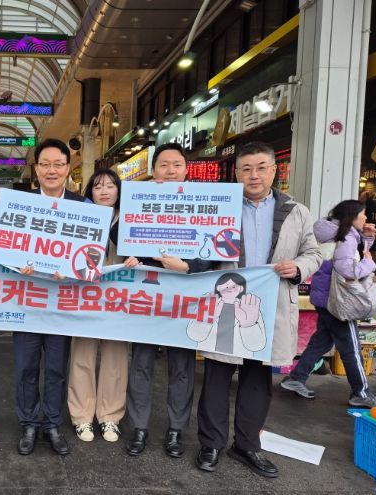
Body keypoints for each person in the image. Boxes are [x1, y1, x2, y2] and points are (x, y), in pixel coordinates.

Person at [195, 142, 321, 478]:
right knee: (217, 376)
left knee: (256, 379)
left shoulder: (296, 211)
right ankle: (211, 443)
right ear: (236, 173)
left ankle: (247, 445)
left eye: (261, 167)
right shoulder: (220, 207)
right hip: (225, 302)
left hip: (269, 304)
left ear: (274, 170)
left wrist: (298, 267)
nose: (254, 175)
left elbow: (314, 253)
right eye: (247, 169)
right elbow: (200, 248)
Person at [126, 142, 214, 459]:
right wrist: (133, 257)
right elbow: (123, 238)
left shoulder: (204, 202)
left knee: (182, 366)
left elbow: (216, 252)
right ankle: (138, 427)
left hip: (187, 295)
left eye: (177, 164)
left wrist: (188, 266)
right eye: (164, 165)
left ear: (186, 169)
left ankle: (176, 429)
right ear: (154, 170)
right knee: (141, 363)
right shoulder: (140, 200)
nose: (171, 170)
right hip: (148, 293)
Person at [15, 138, 86, 456]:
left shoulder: (83, 207)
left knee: (57, 368)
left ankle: (53, 424)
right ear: (36, 169)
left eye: (58, 164)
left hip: (62, 302)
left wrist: (72, 270)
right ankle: (29, 423)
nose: (51, 170)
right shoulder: (20, 205)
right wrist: (17, 263)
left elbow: (91, 256)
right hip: (27, 301)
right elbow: (4, 248)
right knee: (26, 367)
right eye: (45, 164)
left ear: (68, 169)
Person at [280, 200, 376, 407]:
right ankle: (361, 392)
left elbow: (351, 255)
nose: (366, 218)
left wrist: (366, 237)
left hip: (324, 299)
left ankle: (296, 378)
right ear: (352, 216)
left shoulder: (334, 233)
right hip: (339, 302)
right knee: (352, 348)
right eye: (363, 214)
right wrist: (369, 263)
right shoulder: (346, 238)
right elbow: (349, 270)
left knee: (322, 341)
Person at [67, 168, 138, 443]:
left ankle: (110, 416)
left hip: (120, 298)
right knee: (82, 354)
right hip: (85, 295)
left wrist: (137, 257)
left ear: (119, 190)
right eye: (97, 186)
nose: (104, 191)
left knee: (115, 356)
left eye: (110, 185)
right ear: (90, 192)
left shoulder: (133, 218)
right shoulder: (79, 217)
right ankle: (82, 416)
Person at [186, 272, 267, 357]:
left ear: (241, 288)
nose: (230, 288)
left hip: (241, 358)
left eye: (234, 286)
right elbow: (194, 336)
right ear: (218, 287)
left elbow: (257, 346)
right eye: (226, 285)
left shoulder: (250, 308)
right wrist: (207, 319)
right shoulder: (207, 304)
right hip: (212, 357)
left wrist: (248, 325)